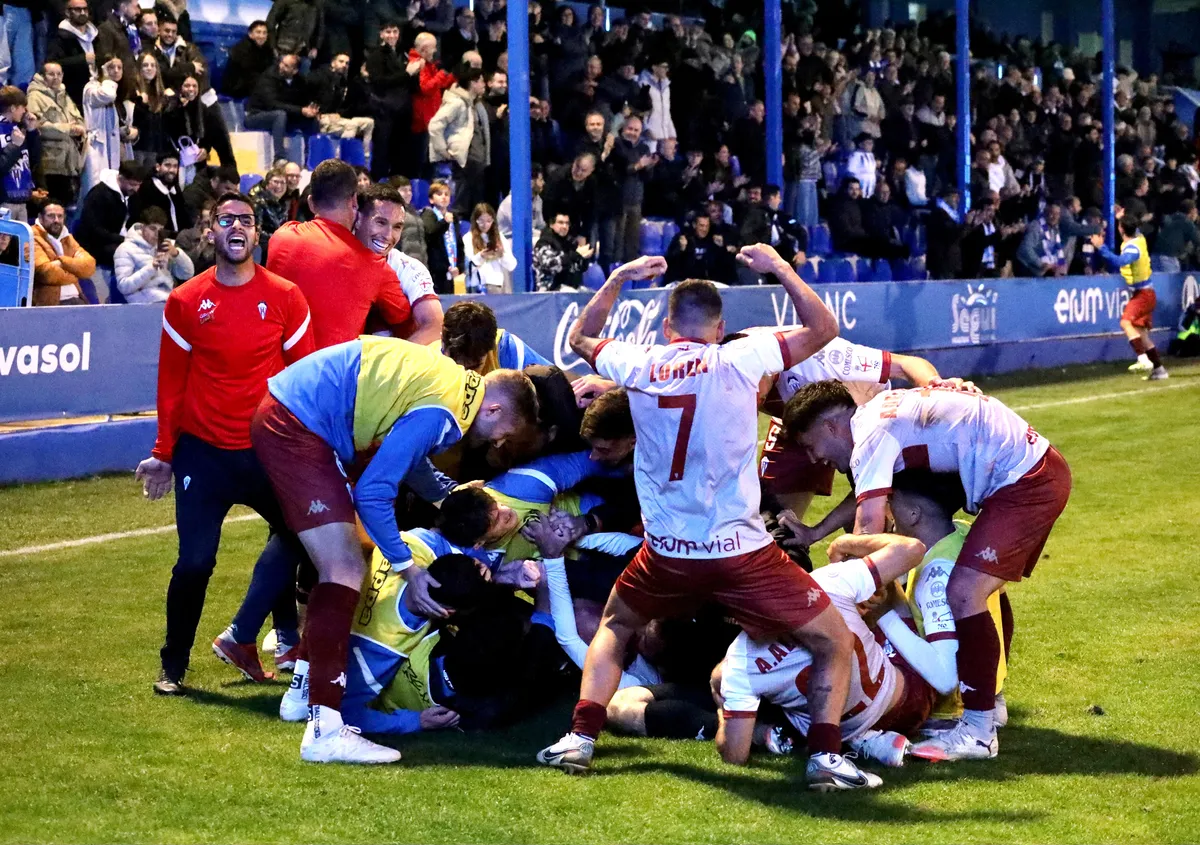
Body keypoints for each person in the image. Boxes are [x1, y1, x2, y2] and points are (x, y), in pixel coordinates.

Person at [537, 246, 882, 791]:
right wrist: (780, 269)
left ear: (668, 326)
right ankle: (825, 758)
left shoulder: (640, 361)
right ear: (719, 328)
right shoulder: (740, 358)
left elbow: (581, 338)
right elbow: (823, 326)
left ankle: (580, 739)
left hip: (667, 552)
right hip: (741, 553)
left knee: (615, 626)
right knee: (831, 640)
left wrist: (622, 277)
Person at [249, 336, 538, 763]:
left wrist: (449, 496)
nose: (498, 444)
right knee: (344, 568)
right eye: (504, 434)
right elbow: (374, 493)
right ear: (494, 410)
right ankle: (325, 730)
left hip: (294, 415)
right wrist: (408, 569)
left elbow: (410, 456)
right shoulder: (446, 413)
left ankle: (303, 694)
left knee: (345, 562)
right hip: (298, 424)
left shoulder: (454, 387)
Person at [782, 380, 1072, 762]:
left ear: (831, 427)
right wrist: (818, 532)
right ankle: (991, 701)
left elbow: (869, 523)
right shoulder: (875, 417)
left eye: (809, 445)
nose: (816, 458)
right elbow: (871, 489)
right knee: (978, 589)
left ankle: (979, 730)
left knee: (964, 592)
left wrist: (849, 592)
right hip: (1030, 470)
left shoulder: (869, 436)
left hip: (1023, 482)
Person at [134, 192, 315, 695]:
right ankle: (173, 666)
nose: (236, 227)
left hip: (268, 450)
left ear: (257, 233)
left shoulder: (285, 296)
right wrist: (164, 453)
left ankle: (272, 636)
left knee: (302, 534)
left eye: (246, 220)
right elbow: (171, 384)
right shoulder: (186, 300)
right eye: (226, 219)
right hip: (204, 453)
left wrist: (312, 446)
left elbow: (305, 378)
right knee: (195, 561)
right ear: (210, 231)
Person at [716, 532, 935, 770]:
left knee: (722, 679)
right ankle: (856, 740)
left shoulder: (740, 660)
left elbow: (734, 754)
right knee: (875, 587)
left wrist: (724, 709)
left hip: (833, 726)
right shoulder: (828, 581)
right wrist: (845, 543)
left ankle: (846, 739)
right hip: (908, 700)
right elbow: (912, 548)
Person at [881, 471, 1012, 735]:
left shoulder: (936, 577)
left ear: (913, 514)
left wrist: (883, 616)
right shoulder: (963, 533)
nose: (886, 510)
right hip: (987, 693)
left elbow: (944, 677)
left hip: (950, 713)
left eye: (891, 500)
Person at [266, 160, 413, 349]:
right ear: (354, 202)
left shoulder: (280, 237)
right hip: (334, 376)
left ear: (311, 203)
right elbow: (404, 319)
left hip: (277, 374)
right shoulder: (375, 266)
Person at [351, 182, 443, 345]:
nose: (388, 235)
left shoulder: (411, 268)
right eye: (380, 222)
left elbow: (435, 325)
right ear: (358, 219)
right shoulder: (335, 259)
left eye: (397, 227)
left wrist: (392, 364)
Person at [1093, 215, 1168, 380]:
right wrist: (1122, 217)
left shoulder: (1132, 248)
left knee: (1125, 322)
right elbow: (1135, 229)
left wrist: (1101, 247)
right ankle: (1159, 369)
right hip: (1146, 292)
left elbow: (1120, 261)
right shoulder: (1140, 238)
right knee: (1141, 332)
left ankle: (1143, 359)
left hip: (1143, 294)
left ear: (1120, 229)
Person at [75, 159, 144, 302]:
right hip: (94, 245)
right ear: (121, 178)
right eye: (132, 184)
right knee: (129, 253)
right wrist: (123, 240)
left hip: (118, 240)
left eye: (138, 185)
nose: (136, 189)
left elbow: (135, 220)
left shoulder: (132, 195)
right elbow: (93, 229)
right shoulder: (98, 195)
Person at [427, 66, 489, 218]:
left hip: (475, 163)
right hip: (462, 163)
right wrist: (443, 151)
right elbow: (435, 125)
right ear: (472, 83)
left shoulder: (474, 104)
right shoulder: (457, 103)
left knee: (474, 208)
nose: (484, 85)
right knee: (460, 207)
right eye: (481, 81)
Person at [26, 62, 86, 208]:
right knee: (49, 207)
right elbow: (37, 127)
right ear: (42, 76)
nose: (56, 78)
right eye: (51, 74)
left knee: (67, 209)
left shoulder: (65, 95)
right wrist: (68, 129)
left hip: (70, 163)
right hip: (50, 162)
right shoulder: (34, 96)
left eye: (59, 74)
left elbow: (79, 120)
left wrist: (79, 128)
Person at [440, 300, 551, 374]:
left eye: (473, 368)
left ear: (490, 348)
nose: (467, 376)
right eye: (456, 365)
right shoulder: (431, 362)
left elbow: (558, 384)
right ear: (442, 343)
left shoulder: (506, 349)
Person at [113, 206, 195, 302]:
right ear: (142, 227)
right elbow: (124, 286)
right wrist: (151, 267)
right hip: (143, 306)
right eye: (153, 229)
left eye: (160, 230)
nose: (156, 234)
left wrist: (177, 254)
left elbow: (188, 274)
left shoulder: (165, 246)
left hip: (167, 301)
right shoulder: (125, 249)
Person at [245, 54, 319, 159]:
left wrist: (310, 110)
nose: (281, 66)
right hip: (256, 115)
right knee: (280, 114)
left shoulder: (300, 81)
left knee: (311, 120)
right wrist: (301, 110)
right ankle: (279, 158)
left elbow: (304, 102)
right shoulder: (268, 77)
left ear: (295, 71)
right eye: (282, 63)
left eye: (286, 66)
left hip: (285, 117)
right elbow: (272, 104)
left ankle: (312, 157)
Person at [81, 57, 132, 200]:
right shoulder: (91, 88)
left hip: (111, 149)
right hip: (96, 148)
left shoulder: (118, 94)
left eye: (119, 67)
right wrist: (106, 76)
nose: (115, 71)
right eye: (111, 67)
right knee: (94, 192)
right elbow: (107, 95)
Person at [608, 115, 654, 264]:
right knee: (618, 241)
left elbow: (647, 177)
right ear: (623, 128)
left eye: (636, 130)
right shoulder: (617, 145)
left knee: (633, 242)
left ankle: (632, 275)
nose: (633, 133)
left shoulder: (644, 148)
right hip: (619, 201)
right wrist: (638, 165)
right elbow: (621, 170)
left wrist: (649, 167)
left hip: (637, 201)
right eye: (630, 129)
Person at [31, 199, 96, 306]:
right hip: (52, 304)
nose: (56, 220)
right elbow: (46, 273)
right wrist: (76, 272)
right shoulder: (31, 237)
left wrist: (62, 262)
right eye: (51, 216)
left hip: (77, 299)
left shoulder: (67, 237)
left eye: (60, 216)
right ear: (40, 217)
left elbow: (90, 266)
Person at [310, 53, 373, 147]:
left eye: (347, 63)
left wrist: (339, 113)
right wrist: (316, 111)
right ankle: (341, 157)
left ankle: (365, 155)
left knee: (369, 122)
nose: (344, 65)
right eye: (341, 61)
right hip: (322, 116)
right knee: (351, 125)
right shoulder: (320, 76)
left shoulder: (344, 82)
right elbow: (311, 95)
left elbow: (351, 105)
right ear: (333, 63)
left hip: (338, 116)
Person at [47, 0, 99, 109]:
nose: (83, 12)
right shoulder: (59, 36)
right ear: (67, 12)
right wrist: (82, 59)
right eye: (78, 9)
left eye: (85, 9)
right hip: (75, 92)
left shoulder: (95, 34)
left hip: (97, 87)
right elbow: (53, 64)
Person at [0, 86, 40, 221]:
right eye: (22, 107)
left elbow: (34, 161)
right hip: (3, 200)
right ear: (12, 108)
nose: (25, 111)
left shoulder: (18, 129)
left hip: (22, 199)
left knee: (22, 242)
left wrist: (32, 132)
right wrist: (14, 146)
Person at [128, 152, 190, 234]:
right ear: (158, 167)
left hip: (178, 239)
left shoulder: (175, 188)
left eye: (175, 166)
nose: (172, 170)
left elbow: (184, 216)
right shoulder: (146, 188)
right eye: (167, 165)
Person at [463, 202, 515, 294]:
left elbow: (512, 265)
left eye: (488, 221)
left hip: (495, 285)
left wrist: (501, 255)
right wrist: (481, 256)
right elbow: (466, 267)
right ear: (475, 220)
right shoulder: (468, 238)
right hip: (475, 285)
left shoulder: (499, 237)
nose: (485, 225)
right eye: (481, 221)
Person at [534, 211, 592, 291]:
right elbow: (550, 265)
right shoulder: (544, 243)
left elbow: (579, 269)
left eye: (567, 223)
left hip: (572, 286)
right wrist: (575, 255)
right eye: (560, 223)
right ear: (552, 225)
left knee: (591, 295)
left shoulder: (571, 243)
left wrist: (584, 257)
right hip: (551, 289)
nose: (564, 226)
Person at [420, 180, 460, 293]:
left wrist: (459, 267)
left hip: (454, 270)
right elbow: (430, 236)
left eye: (446, 194)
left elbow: (459, 243)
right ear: (431, 199)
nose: (444, 197)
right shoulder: (428, 215)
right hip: (437, 272)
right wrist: (444, 222)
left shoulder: (453, 217)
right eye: (439, 194)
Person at [219, 20, 273, 100]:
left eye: (264, 33)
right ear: (250, 34)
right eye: (258, 32)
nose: (261, 36)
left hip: (254, 85)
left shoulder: (267, 49)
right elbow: (250, 73)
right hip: (237, 88)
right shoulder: (241, 49)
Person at [250, 167, 290, 260]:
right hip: (263, 249)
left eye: (283, 183)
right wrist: (279, 239)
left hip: (277, 245)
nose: (279, 186)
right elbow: (256, 231)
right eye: (276, 182)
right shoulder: (258, 202)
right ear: (267, 184)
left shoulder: (282, 204)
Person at [389, 175, 428, 267]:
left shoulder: (413, 211)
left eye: (410, 190)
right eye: (404, 190)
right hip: (403, 266)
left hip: (419, 265)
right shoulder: (392, 213)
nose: (408, 193)